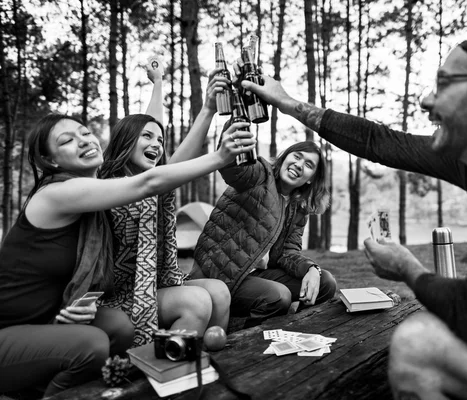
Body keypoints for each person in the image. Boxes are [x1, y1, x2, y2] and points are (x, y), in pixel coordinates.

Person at [241, 26, 467, 400]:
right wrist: (286, 102)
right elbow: (377, 142)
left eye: (444, 83)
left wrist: (407, 269)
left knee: (420, 343)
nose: (427, 101)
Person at [0, 107, 254, 396]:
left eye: (85, 132)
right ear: (48, 160)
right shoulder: (57, 194)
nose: (84, 140)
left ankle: (177, 376)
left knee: (119, 328)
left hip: (52, 316)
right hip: (10, 327)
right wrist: (220, 157)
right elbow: (148, 181)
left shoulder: (94, 192)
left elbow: (155, 162)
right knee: (93, 345)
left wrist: (204, 107)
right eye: (66, 141)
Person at [98, 68, 232, 346]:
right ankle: (165, 370)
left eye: (160, 140)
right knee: (196, 302)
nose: (157, 145)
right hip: (121, 293)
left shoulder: (156, 185)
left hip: (156, 281)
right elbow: (169, 164)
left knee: (218, 291)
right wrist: (207, 110)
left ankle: (211, 361)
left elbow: (154, 130)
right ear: (125, 140)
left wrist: (158, 83)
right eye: (147, 137)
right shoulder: (108, 187)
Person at [187, 140, 337, 328]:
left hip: (258, 275)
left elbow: (288, 252)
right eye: (297, 156)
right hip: (223, 274)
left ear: (310, 179)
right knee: (278, 296)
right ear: (284, 158)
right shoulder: (259, 175)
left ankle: (292, 327)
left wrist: (311, 269)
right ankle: (246, 340)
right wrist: (236, 126)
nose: (299, 165)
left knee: (326, 283)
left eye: (308, 165)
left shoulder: (298, 207)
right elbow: (233, 166)